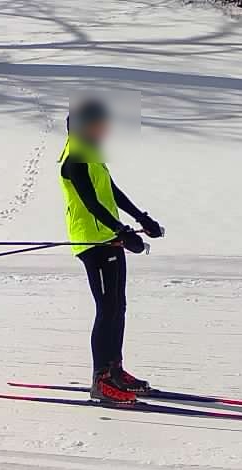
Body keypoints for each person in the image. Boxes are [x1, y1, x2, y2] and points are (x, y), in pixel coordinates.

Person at [58, 97, 164, 404]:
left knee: (118, 306)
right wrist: (122, 231)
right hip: (94, 241)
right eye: (99, 123)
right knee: (107, 309)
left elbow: (111, 192)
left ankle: (115, 370)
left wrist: (142, 219)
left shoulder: (90, 153)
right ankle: (101, 380)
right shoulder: (74, 159)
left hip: (109, 237)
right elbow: (91, 203)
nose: (105, 128)